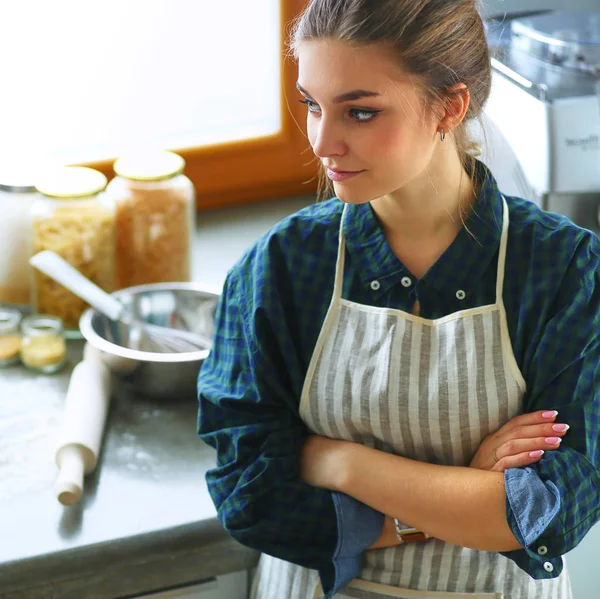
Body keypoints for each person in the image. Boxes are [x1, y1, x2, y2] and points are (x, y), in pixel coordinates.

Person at [197, 0, 600, 597]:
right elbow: (251, 496)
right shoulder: (280, 268)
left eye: (360, 112)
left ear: (449, 106)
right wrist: (462, 494)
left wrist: (341, 464)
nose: (323, 142)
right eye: (312, 104)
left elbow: (549, 511)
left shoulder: (565, 271)